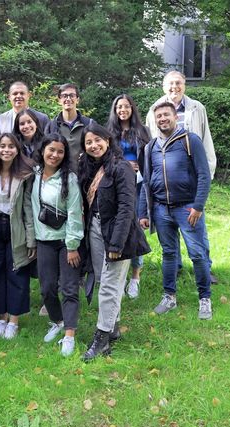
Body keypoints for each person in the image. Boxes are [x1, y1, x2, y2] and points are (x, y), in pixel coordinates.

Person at [79, 124, 150, 362]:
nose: (94, 145)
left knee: (109, 285)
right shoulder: (89, 167)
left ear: (108, 140)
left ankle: (101, 339)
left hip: (119, 233)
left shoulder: (122, 168)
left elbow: (127, 209)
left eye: (98, 140)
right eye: (89, 142)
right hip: (95, 229)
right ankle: (114, 326)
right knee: (104, 281)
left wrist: (116, 245)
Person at [139, 102, 212, 320]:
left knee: (197, 254)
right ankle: (169, 296)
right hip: (162, 210)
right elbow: (146, 182)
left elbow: (203, 175)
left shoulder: (190, 141)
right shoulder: (150, 147)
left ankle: (204, 299)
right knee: (169, 254)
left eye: (166, 115)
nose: (162, 119)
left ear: (175, 117)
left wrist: (198, 206)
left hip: (187, 208)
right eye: (159, 116)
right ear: (155, 120)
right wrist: (143, 212)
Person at [145, 70, 217, 284]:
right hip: (166, 177)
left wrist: (207, 172)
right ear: (163, 86)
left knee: (196, 224)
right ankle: (174, 266)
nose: (174, 87)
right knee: (168, 224)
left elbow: (205, 140)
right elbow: (151, 139)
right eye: (170, 84)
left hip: (192, 177)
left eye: (178, 83)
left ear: (184, 85)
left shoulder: (196, 107)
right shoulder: (154, 109)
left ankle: (205, 266)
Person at [30, 134, 84, 356]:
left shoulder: (69, 179)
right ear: (43, 150)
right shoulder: (34, 175)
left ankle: (69, 334)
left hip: (65, 242)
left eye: (60, 151)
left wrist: (72, 246)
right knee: (47, 288)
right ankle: (58, 320)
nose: (55, 155)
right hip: (43, 241)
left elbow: (74, 212)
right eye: (51, 150)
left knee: (70, 288)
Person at [0, 133, 36, 339]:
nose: (6, 150)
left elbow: (28, 207)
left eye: (11, 146)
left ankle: (13, 321)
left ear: (17, 149)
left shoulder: (25, 173)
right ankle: (1, 319)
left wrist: (31, 238)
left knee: (17, 272)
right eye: (2, 146)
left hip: (17, 228)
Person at [106, 94, 151, 299]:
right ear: (115, 110)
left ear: (132, 109)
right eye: (119, 107)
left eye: (126, 106)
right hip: (118, 183)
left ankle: (135, 277)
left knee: (135, 229)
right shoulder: (109, 132)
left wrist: (137, 167)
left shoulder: (142, 131)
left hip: (138, 184)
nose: (122, 110)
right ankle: (119, 276)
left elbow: (149, 158)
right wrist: (123, 164)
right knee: (119, 226)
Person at [47, 83, 96, 172]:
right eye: (64, 96)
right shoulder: (52, 126)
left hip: (85, 176)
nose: (68, 99)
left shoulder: (89, 124)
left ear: (77, 99)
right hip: (59, 177)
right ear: (59, 100)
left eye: (72, 95)